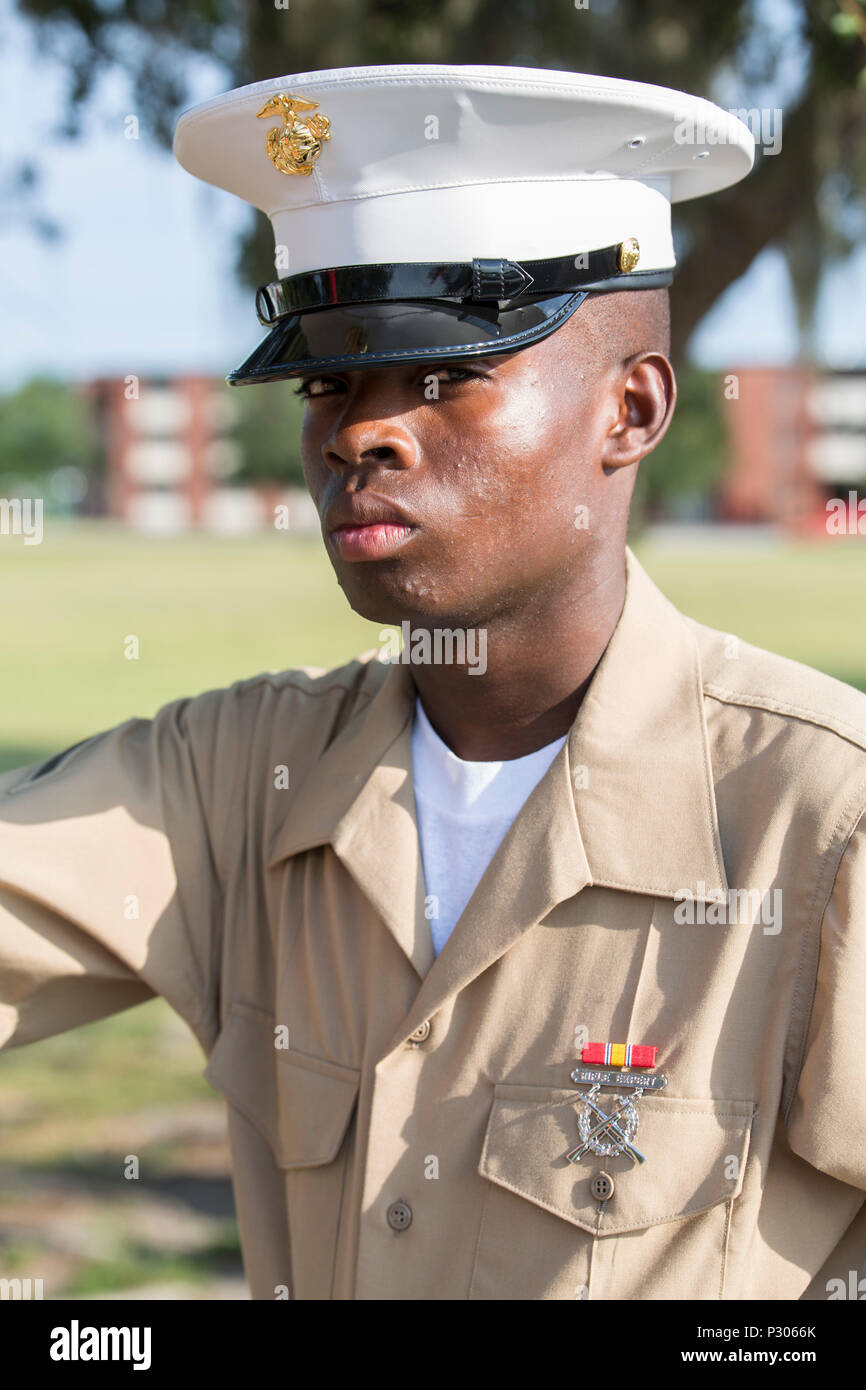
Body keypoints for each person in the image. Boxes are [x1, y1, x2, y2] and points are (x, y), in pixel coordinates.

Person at [1, 64, 864, 1301]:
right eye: (328, 380)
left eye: (446, 374)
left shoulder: (823, 817)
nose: (361, 432)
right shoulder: (236, 780)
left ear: (630, 406)